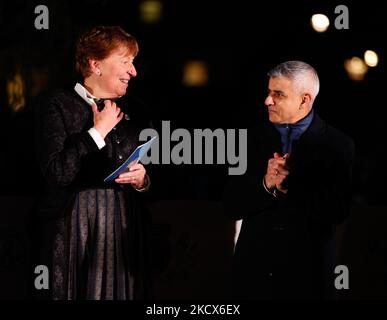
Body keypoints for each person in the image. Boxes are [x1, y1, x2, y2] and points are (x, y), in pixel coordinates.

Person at [33, 26, 153, 300]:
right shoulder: (56, 104)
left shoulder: (137, 110)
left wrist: (143, 179)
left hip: (123, 227)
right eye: (125, 62)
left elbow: (157, 176)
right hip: (73, 226)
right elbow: (57, 173)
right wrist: (96, 133)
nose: (133, 71)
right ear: (95, 65)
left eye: (133, 62)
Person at [223, 60, 355, 299]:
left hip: (308, 279)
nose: (268, 101)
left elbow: (338, 211)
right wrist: (266, 184)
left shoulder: (338, 144)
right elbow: (231, 204)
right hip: (253, 278)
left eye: (278, 94)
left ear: (305, 99)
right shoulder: (249, 139)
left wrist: (292, 188)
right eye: (268, 92)